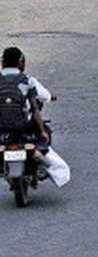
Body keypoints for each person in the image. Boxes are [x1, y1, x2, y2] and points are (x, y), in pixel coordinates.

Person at [0, 47, 70, 187]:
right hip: (23, 126)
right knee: (43, 135)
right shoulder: (27, 81)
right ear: (21, 64)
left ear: (2, 63)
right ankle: (38, 155)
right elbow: (35, 107)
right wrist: (43, 132)